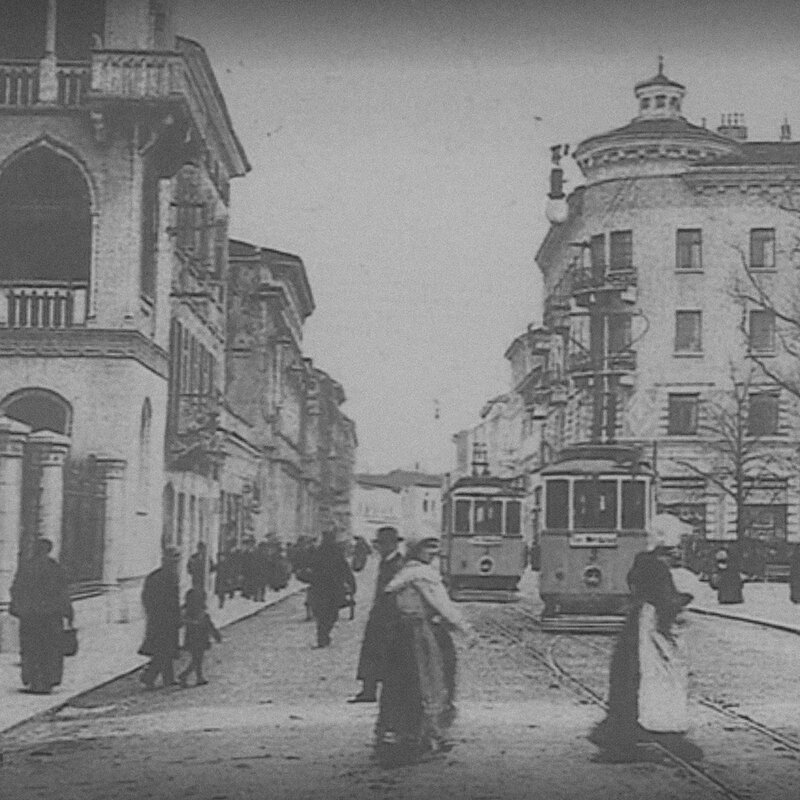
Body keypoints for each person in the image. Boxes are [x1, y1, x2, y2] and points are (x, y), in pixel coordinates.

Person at [589, 518, 700, 763]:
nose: (680, 545)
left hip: (638, 623)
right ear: (668, 539)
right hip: (650, 629)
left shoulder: (643, 560)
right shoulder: (659, 567)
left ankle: (621, 733)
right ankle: (653, 732)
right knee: (656, 676)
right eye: (677, 539)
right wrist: (685, 599)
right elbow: (663, 600)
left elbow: (637, 587)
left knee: (629, 677)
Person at [375, 529, 476, 766]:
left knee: (402, 684)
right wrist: (466, 629)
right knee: (427, 682)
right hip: (417, 636)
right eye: (428, 548)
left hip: (400, 636)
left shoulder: (405, 571)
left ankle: (403, 734)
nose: (434, 552)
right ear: (416, 550)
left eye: (434, 547)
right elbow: (443, 606)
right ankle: (421, 737)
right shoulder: (422, 575)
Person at [9, 538, 74, 695]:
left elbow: (15, 589)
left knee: (31, 649)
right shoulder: (55, 568)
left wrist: (18, 609)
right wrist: (68, 613)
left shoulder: (27, 567)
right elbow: (63, 593)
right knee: (50, 649)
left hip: (30, 617)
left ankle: (34, 681)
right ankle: (48, 681)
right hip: (51, 617)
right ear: (49, 550)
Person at [349, 526, 405, 703]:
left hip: (391, 616)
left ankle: (385, 692)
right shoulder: (386, 562)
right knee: (372, 650)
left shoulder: (397, 565)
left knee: (388, 653)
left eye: (381, 544)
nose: (379, 548)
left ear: (391, 545)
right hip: (380, 613)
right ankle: (368, 690)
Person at [138, 548, 182, 689]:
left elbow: (145, 598)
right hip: (164, 621)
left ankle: (166, 679)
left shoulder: (155, 576)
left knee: (164, 650)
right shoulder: (168, 577)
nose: (176, 564)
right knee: (163, 651)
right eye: (174, 561)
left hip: (159, 620)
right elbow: (171, 601)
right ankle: (150, 676)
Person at [308, 529, 356, 648]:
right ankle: (324, 635)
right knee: (331, 614)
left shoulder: (318, 552)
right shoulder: (336, 552)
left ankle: (322, 636)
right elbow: (345, 569)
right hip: (334, 588)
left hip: (319, 588)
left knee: (321, 614)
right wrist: (352, 583)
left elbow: (310, 567)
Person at [178, 588, 222, 688]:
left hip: (193, 639)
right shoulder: (201, 614)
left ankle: (199, 677)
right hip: (200, 640)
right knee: (197, 660)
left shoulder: (188, 612)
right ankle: (184, 675)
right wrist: (216, 636)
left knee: (197, 660)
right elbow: (210, 626)